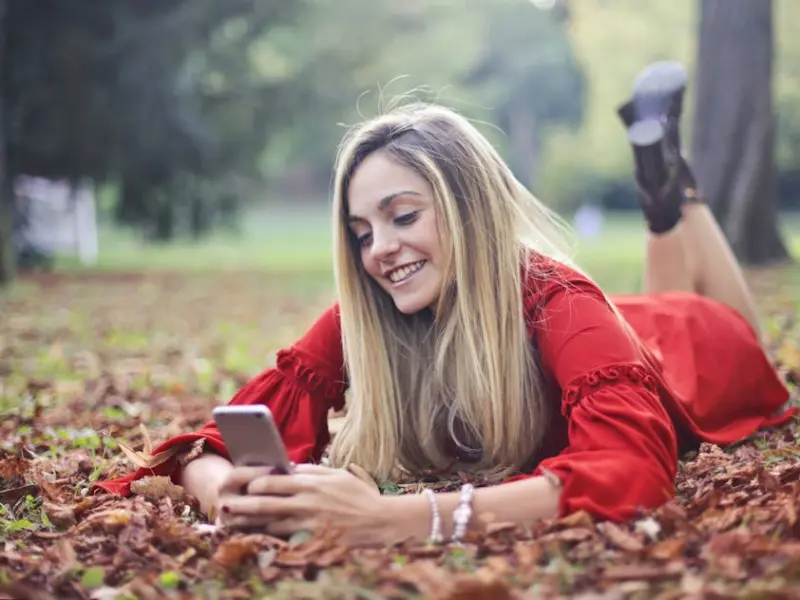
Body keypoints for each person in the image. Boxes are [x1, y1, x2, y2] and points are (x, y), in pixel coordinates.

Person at [94, 63, 795, 548]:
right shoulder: (375, 307)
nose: (380, 251)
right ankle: (661, 184)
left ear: (469, 209)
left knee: (720, 324)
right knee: (645, 306)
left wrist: (401, 519)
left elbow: (631, 475)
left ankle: (673, 193)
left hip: (691, 355)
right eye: (362, 232)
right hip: (617, 333)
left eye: (404, 215)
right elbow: (205, 445)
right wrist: (229, 494)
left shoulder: (562, 302)